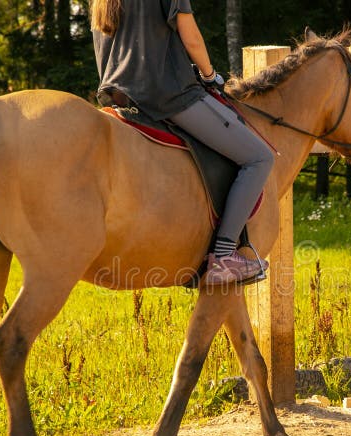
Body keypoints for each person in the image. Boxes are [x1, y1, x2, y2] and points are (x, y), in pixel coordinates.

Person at [91, 0, 275, 286]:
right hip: (167, 95)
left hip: (119, 95)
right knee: (260, 158)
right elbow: (192, 38)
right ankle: (224, 255)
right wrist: (210, 75)